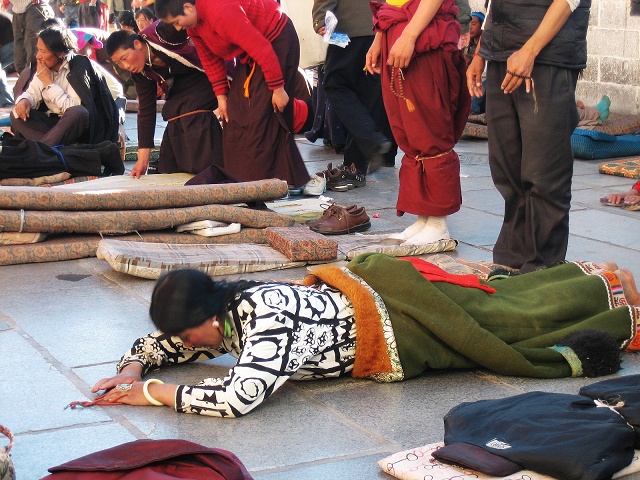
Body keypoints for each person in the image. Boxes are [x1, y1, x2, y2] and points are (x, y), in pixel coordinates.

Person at [91, 253, 639, 417]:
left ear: (207, 316)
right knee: (497, 305)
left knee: (505, 322)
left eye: (191, 334)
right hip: (371, 305)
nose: (191, 345)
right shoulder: (226, 310)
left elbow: (240, 396)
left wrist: (152, 393)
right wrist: (134, 365)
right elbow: (173, 344)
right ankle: (600, 285)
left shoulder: (265, 318)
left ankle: (609, 296)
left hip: (397, 328)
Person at [466, 0, 589, 272]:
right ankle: (511, 262)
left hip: (547, 55)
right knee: (507, 167)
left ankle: (541, 266)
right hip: (501, 54)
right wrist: (481, 54)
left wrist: (530, 50)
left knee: (544, 171)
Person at [154, 0, 310, 191]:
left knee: (260, 117)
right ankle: (242, 181)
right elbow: (210, 59)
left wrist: (277, 88)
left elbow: (261, 47)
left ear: (187, 7)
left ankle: (268, 182)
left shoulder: (220, 11)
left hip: (276, 42)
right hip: (252, 54)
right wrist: (221, 96)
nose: (178, 28)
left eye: (177, 21)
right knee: (234, 115)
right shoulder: (194, 26)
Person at [365, 0, 471, 245]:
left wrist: (410, 35)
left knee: (429, 129)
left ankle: (437, 223)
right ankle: (425, 218)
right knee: (410, 131)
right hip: (397, 30)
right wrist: (380, 37)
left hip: (423, 34)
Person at [106, 24, 223, 176]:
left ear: (137, 44)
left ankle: (209, 170)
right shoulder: (140, 72)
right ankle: (177, 170)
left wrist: (223, 95)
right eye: (119, 63)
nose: (125, 66)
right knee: (173, 111)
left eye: (124, 58)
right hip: (185, 82)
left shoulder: (163, 32)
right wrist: (142, 161)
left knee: (191, 111)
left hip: (212, 71)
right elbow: (146, 110)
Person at [312, 0, 397, 178]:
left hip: (348, 30)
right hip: (380, 29)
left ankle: (372, 142)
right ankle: (355, 165)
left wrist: (320, 18)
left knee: (336, 86)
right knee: (369, 95)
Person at [11, 26, 119, 146]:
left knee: (78, 112)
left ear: (60, 53)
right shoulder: (44, 67)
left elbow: (74, 109)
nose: (38, 56)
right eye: (38, 50)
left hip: (78, 128)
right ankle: (52, 147)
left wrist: (49, 84)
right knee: (16, 113)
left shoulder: (79, 67)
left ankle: (44, 149)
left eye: (43, 51)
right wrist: (25, 101)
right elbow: (33, 92)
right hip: (54, 127)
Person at [10, 0, 54, 73]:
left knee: (34, 59)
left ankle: (37, 82)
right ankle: (27, 82)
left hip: (35, 7)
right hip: (17, 9)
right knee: (20, 62)